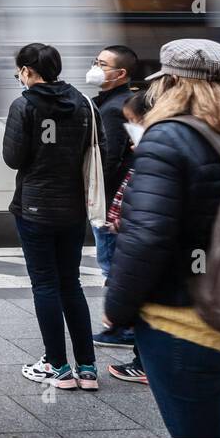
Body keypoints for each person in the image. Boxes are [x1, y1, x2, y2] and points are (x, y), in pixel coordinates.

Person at [104, 39, 220, 437]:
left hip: (186, 323)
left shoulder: (167, 138)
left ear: (171, 83)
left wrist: (116, 308)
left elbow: (147, 236)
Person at [3, 42, 105, 390]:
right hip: (75, 209)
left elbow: (13, 158)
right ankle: (88, 369)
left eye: (20, 70)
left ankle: (59, 368)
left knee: (45, 285)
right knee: (71, 283)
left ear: (28, 71)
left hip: (34, 209)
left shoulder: (24, 105)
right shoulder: (85, 104)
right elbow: (100, 149)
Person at [86, 45, 138, 350]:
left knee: (113, 266)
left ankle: (122, 328)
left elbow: (108, 161)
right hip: (116, 203)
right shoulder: (118, 102)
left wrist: (94, 199)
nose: (95, 67)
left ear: (120, 74)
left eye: (102, 64)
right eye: (96, 61)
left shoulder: (114, 107)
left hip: (110, 205)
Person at [103, 91, 150, 384]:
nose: (131, 140)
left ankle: (144, 363)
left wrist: (118, 307)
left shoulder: (156, 158)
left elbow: (146, 236)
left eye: (135, 125)